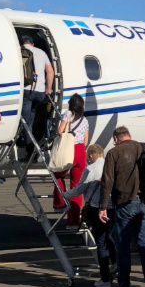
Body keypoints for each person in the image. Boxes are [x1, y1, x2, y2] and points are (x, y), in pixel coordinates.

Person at [98, 126, 145, 287]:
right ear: (129, 136)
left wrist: (102, 206)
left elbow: (107, 181)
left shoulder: (114, 152)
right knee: (144, 244)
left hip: (125, 203)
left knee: (123, 246)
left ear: (116, 138)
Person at [64, 143, 115, 287]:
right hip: (113, 208)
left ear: (91, 156)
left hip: (97, 208)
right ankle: (116, 261)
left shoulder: (90, 169)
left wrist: (65, 194)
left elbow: (80, 188)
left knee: (100, 242)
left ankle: (105, 279)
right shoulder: (111, 166)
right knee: (110, 237)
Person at [53, 93, 90, 227]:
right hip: (81, 151)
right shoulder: (85, 120)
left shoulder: (68, 114)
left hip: (69, 149)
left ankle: (60, 203)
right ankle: (74, 222)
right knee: (77, 187)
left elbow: (60, 131)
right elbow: (86, 141)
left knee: (57, 175)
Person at [19, 35, 54, 144]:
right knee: (34, 120)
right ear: (32, 44)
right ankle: (36, 143)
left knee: (26, 122)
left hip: (26, 90)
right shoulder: (41, 52)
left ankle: (30, 147)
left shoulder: (18, 52)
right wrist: (48, 88)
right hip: (40, 92)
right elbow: (50, 71)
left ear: (21, 44)